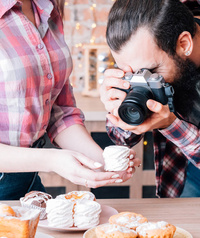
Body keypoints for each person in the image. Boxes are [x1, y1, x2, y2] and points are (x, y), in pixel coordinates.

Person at [0, 0, 141, 200]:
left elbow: (59, 111)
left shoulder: (48, 8)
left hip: (27, 181)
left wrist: (100, 162)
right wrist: (52, 161)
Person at [100, 0, 200, 198]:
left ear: (184, 44)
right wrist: (118, 110)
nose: (142, 80)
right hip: (183, 172)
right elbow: (120, 138)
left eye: (150, 72)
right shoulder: (153, 35)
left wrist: (171, 126)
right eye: (131, 73)